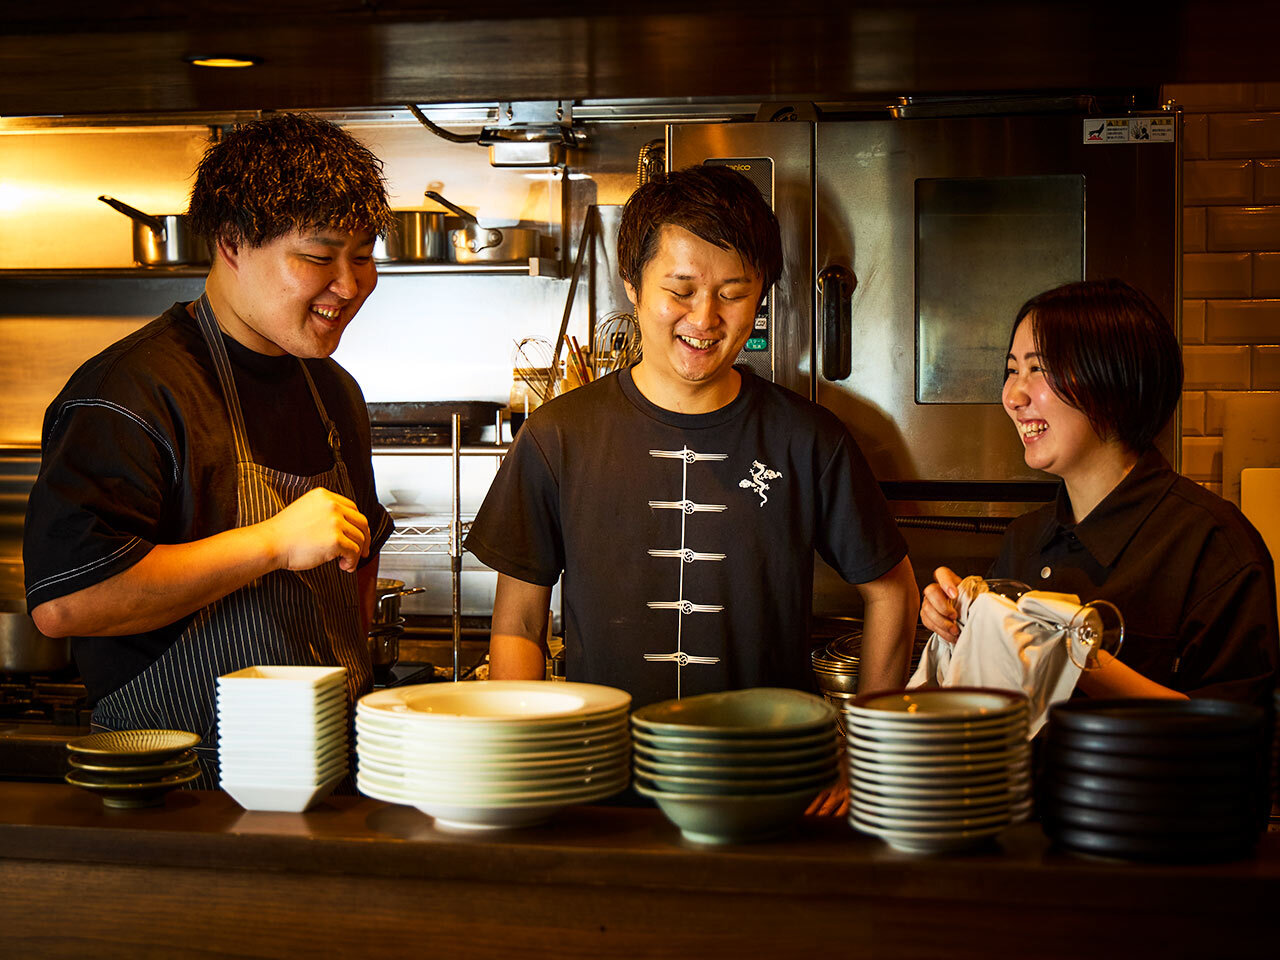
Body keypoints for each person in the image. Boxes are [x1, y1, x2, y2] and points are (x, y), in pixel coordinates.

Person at [465, 164, 919, 748]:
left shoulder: (808, 439)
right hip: (603, 777)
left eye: (733, 294)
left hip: (766, 778)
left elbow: (892, 590)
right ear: (632, 283)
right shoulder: (559, 437)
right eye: (679, 291)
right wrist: (520, 762)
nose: (705, 319)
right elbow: (520, 624)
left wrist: (868, 753)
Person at [23, 113, 397, 785]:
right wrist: (272, 543)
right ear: (230, 242)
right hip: (178, 786)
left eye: (364, 255)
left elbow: (357, 555)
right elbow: (67, 605)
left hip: (327, 773)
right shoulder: (131, 391)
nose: (350, 284)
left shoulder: (333, 390)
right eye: (319, 256)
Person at [921, 280, 1279, 704]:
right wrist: (963, 618)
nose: (1013, 395)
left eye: (1038, 368)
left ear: (1113, 377)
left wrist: (1072, 653)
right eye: (1012, 369)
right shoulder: (1024, 539)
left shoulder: (1213, 544)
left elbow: (1234, 745)